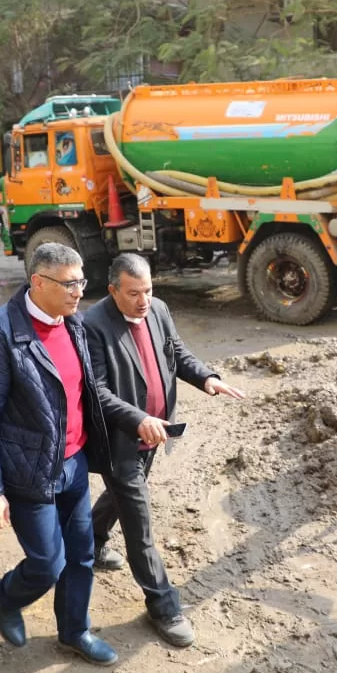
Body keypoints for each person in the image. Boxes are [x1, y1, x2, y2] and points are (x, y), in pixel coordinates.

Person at [83, 253, 244, 646]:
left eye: (149, 290)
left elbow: (177, 353)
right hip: (122, 438)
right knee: (140, 524)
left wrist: (207, 378)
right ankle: (163, 606)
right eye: (134, 293)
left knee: (122, 494)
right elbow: (98, 391)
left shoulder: (158, 309)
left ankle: (90, 541)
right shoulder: (93, 325)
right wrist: (138, 419)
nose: (144, 300)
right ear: (113, 291)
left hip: (155, 434)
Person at [0, 242, 116, 664]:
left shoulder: (74, 324)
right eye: (70, 283)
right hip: (29, 470)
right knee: (48, 563)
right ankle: (8, 594)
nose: (78, 291)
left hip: (74, 463)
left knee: (82, 555)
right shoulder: (0, 333)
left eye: (81, 281)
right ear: (38, 282)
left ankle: (74, 631)